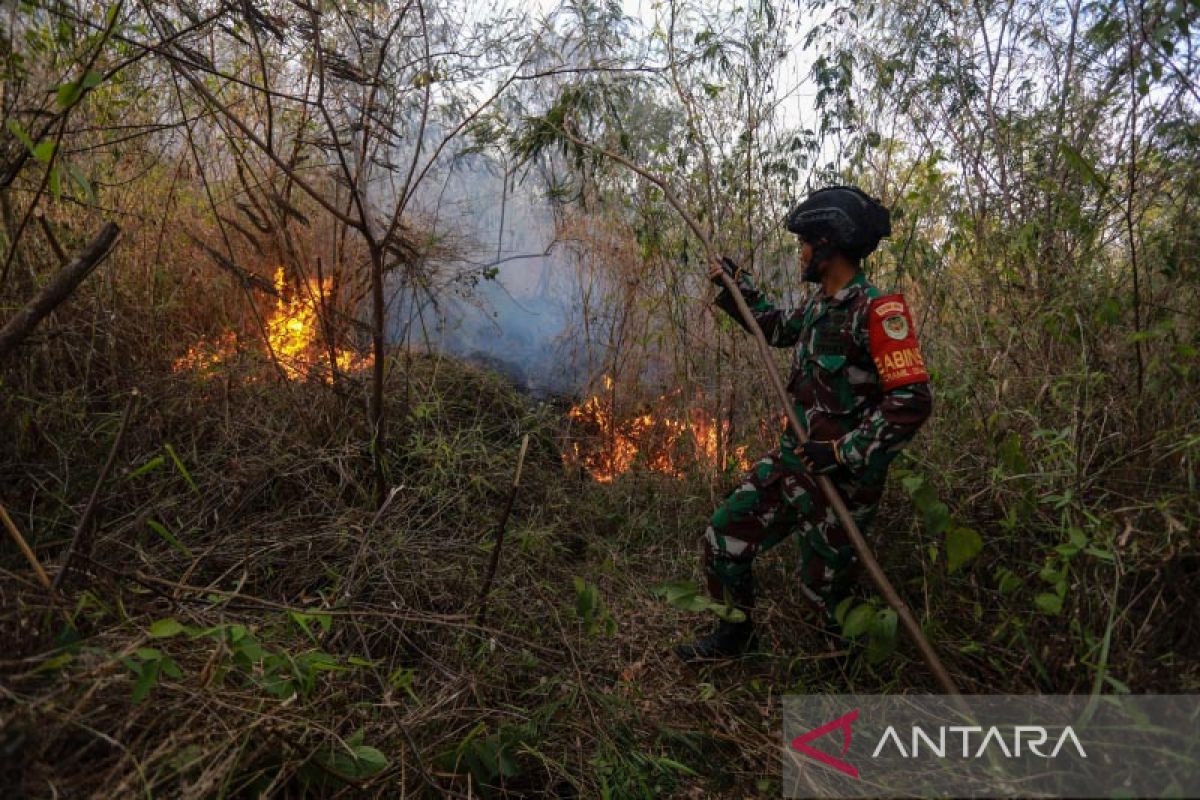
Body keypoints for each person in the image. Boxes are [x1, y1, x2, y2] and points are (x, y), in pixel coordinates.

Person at [676, 185, 933, 662]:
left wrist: (842, 453)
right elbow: (772, 327)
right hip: (794, 467)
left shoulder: (878, 312)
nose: (801, 254)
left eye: (805, 244)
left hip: (843, 488)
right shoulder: (818, 308)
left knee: (825, 601)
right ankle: (735, 639)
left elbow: (912, 402)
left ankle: (836, 677)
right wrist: (736, 286)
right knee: (724, 537)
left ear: (829, 247)